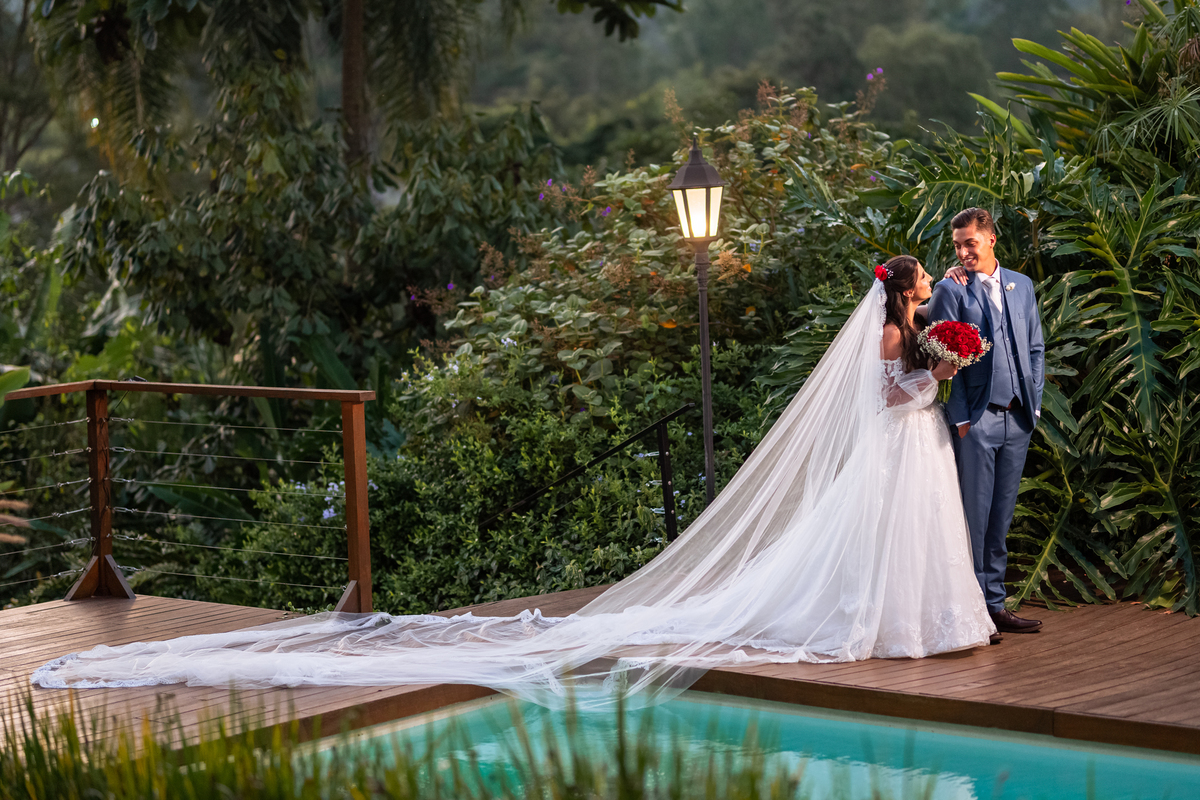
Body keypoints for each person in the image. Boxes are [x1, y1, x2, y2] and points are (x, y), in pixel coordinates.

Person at [32, 256, 995, 706]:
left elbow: (907, 387)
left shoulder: (913, 330)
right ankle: (887, 627)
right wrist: (937, 375)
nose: (922, 303)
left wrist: (939, 370)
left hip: (916, 449)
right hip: (898, 445)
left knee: (908, 540)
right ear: (906, 293)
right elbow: (887, 393)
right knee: (880, 539)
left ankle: (926, 625)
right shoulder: (886, 334)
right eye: (918, 294)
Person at [927, 208, 1045, 635]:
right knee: (973, 520)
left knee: (1001, 517)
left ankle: (995, 605)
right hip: (976, 421)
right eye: (957, 245)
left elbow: (1035, 347)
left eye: (969, 243)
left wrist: (1032, 406)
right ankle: (974, 613)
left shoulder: (1022, 285)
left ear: (990, 240)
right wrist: (961, 420)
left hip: (1018, 418)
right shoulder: (950, 288)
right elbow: (942, 358)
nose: (962, 252)